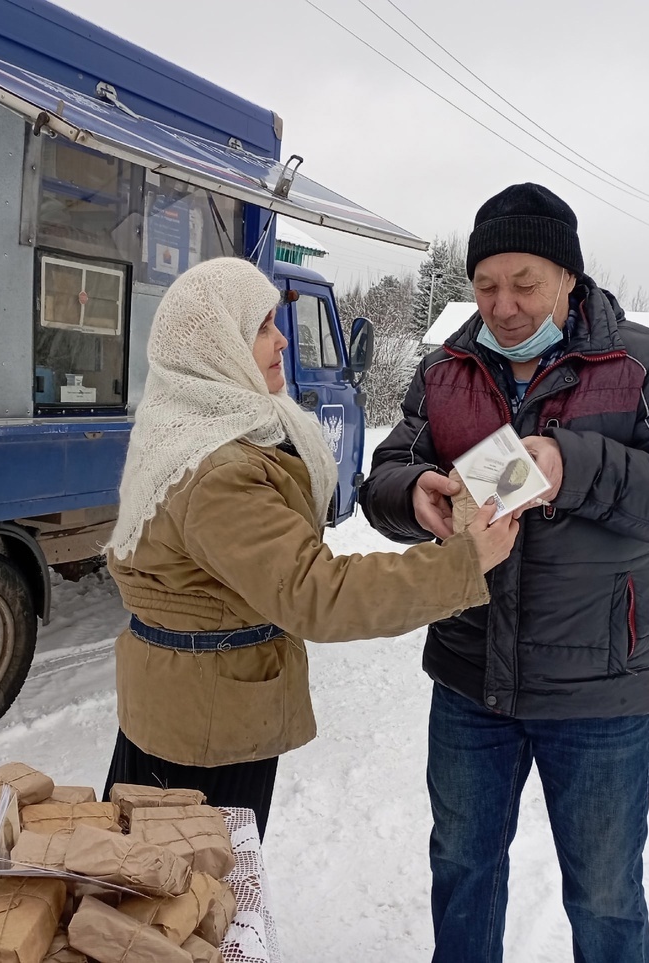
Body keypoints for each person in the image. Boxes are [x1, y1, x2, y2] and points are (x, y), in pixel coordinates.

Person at [360, 184, 649, 963]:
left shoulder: (644, 364)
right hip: (472, 677)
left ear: (569, 276)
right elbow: (387, 473)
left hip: (599, 687)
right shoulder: (445, 370)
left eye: (525, 282)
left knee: (604, 895)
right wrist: (416, 496)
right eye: (486, 284)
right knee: (463, 869)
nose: (502, 305)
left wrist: (577, 464)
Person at [101, 256, 518, 838]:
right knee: (194, 902)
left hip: (187, 704)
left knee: (165, 886)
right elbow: (316, 591)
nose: (282, 342)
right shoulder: (217, 469)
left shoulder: (193, 422)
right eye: (264, 327)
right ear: (217, 345)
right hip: (205, 732)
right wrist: (463, 563)